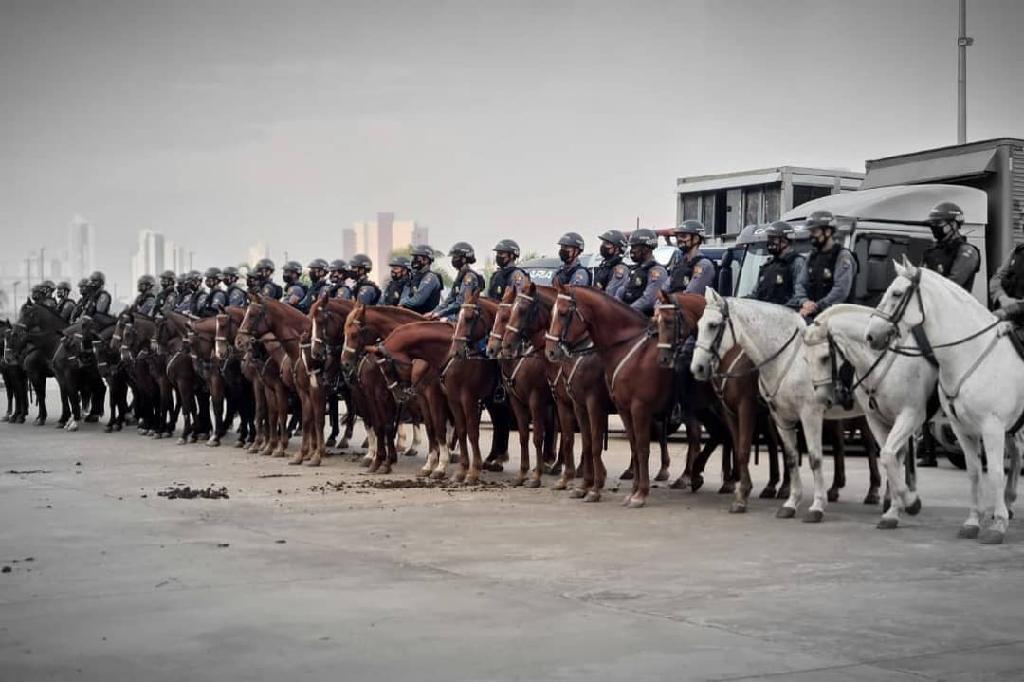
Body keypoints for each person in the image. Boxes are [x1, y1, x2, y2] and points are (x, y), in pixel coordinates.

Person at [789, 210, 857, 320]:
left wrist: (816, 307)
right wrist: (804, 301)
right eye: (810, 232)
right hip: (813, 317)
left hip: (836, 319)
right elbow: (800, 284)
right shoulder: (812, 256)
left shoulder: (842, 256)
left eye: (814, 232)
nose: (811, 236)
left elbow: (840, 291)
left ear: (828, 232)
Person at [922, 201, 981, 292]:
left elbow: (951, 286)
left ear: (953, 224)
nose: (934, 227)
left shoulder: (966, 251)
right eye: (932, 224)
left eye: (938, 223)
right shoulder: (932, 251)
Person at [749, 222, 807, 305]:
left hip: (786, 315)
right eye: (769, 239)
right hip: (763, 314)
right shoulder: (768, 265)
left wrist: (781, 309)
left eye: (773, 239)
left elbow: (799, 295)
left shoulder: (797, 263)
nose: (770, 243)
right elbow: (756, 293)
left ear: (784, 241)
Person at [616, 228, 668, 315]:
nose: (631, 251)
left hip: (643, 320)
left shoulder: (657, 271)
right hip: (628, 315)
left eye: (634, 247)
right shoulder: (635, 270)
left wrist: (626, 312)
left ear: (645, 248)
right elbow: (622, 291)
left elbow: (648, 300)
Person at [430, 242, 484, 320]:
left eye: (455, 257)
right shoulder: (460, 276)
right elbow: (449, 300)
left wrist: (441, 313)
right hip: (455, 315)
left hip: (464, 318)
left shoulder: (469, 277)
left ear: (464, 259)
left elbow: (460, 303)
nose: (453, 260)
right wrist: (433, 312)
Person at [668, 221, 716, 295]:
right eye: (677, 237)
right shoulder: (679, 264)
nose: (679, 240)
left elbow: (691, 294)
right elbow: (664, 288)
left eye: (683, 236)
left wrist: (669, 299)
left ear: (696, 239)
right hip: (672, 305)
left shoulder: (703, 264)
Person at [399, 245, 443, 314]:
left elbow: (418, 299)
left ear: (426, 260)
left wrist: (402, 304)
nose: (413, 260)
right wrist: (401, 303)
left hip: (425, 318)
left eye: (416, 258)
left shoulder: (430, 277)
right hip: (412, 315)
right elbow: (405, 296)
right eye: (413, 257)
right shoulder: (414, 277)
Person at [593, 229, 629, 298]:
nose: (603, 246)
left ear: (617, 249)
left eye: (607, 244)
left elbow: (610, 296)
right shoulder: (604, 266)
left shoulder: (620, 269)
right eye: (603, 243)